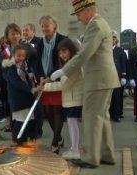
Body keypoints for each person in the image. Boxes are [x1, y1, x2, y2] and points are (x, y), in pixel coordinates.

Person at [50, 0, 120, 168]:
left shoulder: (95, 25)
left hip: (98, 80)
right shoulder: (100, 23)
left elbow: (84, 55)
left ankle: (90, 158)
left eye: (80, 14)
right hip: (103, 78)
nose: (79, 19)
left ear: (88, 10)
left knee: (91, 118)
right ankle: (106, 154)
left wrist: (63, 70)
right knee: (102, 118)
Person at [43, 38, 83, 159]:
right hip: (70, 98)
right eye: (60, 52)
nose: (62, 55)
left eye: (64, 51)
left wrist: (44, 87)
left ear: (71, 50)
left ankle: (75, 150)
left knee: (72, 123)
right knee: (71, 123)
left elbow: (64, 85)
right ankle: (74, 148)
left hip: (74, 98)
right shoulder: (69, 64)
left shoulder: (74, 65)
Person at [36, 15, 67, 152]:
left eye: (47, 25)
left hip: (58, 80)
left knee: (57, 111)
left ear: (54, 26)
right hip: (44, 81)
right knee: (47, 112)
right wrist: (41, 76)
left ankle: (55, 144)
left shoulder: (62, 39)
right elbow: (37, 62)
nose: (44, 28)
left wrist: (50, 76)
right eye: (42, 25)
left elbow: (63, 61)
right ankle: (59, 138)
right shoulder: (40, 43)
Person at [2, 44, 41, 145]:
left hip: (26, 99)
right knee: (21, 121)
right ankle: (16, 140)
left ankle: (24, 140)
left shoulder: (24, 66)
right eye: (18, 55)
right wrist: (31, 89)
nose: (21, 58)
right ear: (13, 55)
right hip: (18, 100)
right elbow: (17, 83)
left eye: (23, 56)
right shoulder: (11, 68)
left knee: (29, 120)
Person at [109, 31, 128, 122]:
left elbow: (123, 63)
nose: (112, 40)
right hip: (107, 77)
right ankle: (109, 114)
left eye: (114, 38)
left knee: (117, 97)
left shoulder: (120, 50)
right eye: (111, 38)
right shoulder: (105, 50)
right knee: (109, 97)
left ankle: (117, 115)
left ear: (116, 40)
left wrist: (124, 76)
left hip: (117, 76)